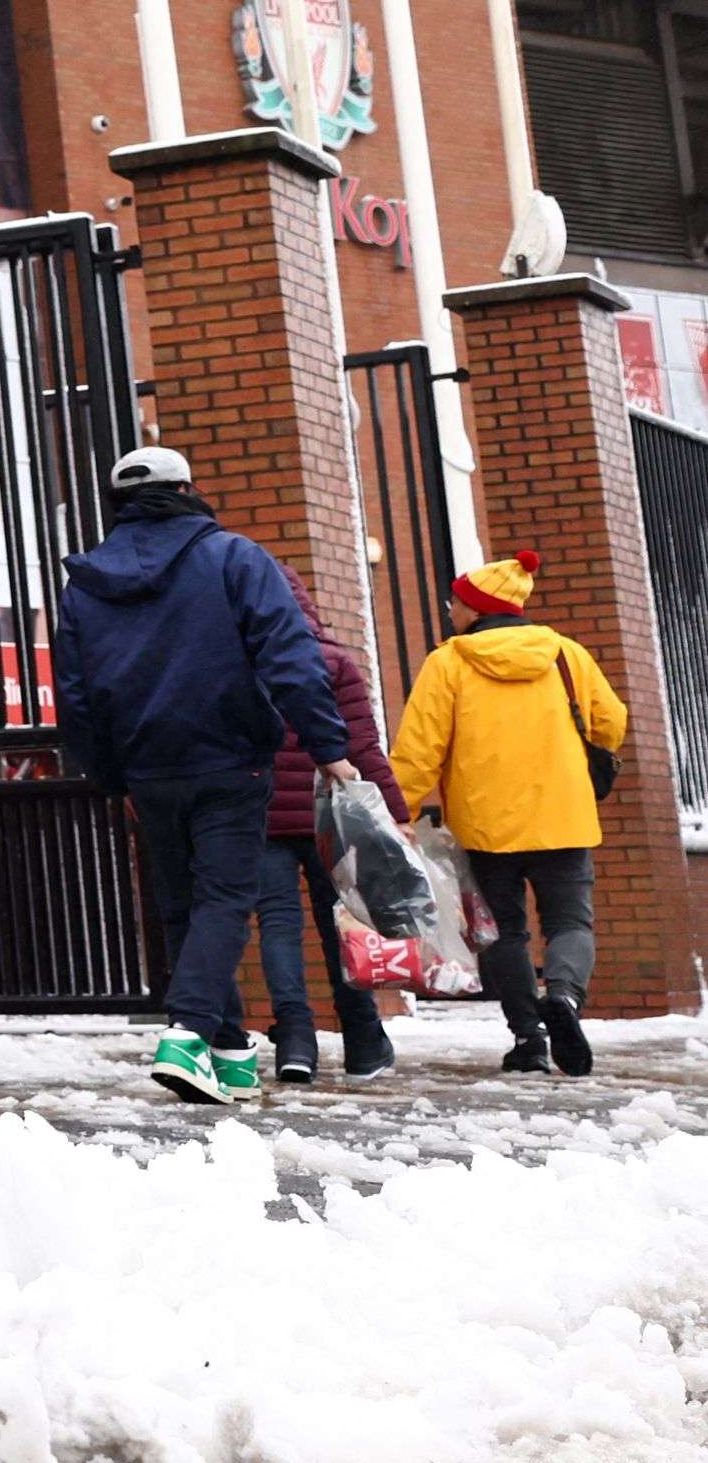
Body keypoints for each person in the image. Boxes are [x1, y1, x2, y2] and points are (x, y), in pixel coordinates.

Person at [52, 443, 352, 1104]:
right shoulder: (235, 558)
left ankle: (226, 1051)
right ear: (187, 489)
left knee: (182, 905)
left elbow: (74, 696)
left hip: (146, 769)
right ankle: (185, 1033)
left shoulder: (84, 585)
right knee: (222, 899)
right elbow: (290, 657)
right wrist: (330, 746)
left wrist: (111, 775)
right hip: (227, 758)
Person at [389, 549, 630, 1075]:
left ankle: (529, 1038)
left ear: (476, 609)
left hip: (485, 825)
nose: (450, 611)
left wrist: (397, 810)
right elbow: (611, 724)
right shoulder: (566, 655)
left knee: (504, 932)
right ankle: (564, 998)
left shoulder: (448, 662)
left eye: (454, 603)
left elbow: (420, 749)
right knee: (570, 922)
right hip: (564, 817)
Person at [256, 603, 400, 1085]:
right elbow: (362, 744)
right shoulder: (333, 662)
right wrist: (396, 814)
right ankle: (363, 1042)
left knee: (278, 924)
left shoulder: (241, 659)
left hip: (262, 815)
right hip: (329, 817)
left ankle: (296, 1041)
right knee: (341, 922)